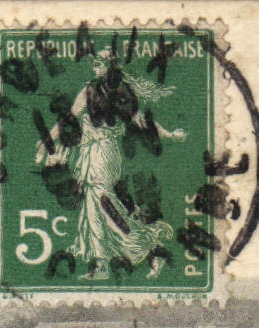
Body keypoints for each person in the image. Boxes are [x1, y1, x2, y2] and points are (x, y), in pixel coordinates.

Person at [35, 51, 188, 279]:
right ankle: (102, 263)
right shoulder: (89, 89)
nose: (95, 66)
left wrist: (168, 134)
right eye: (94, 62)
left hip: (105, 152)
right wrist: (47, 140)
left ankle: (151, 250)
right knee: (93, 206)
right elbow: (70, 117)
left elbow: (141, 119)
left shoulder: (121, 92)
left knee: (104, 203)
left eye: (99, 63)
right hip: (89, 153)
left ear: (110, 67)